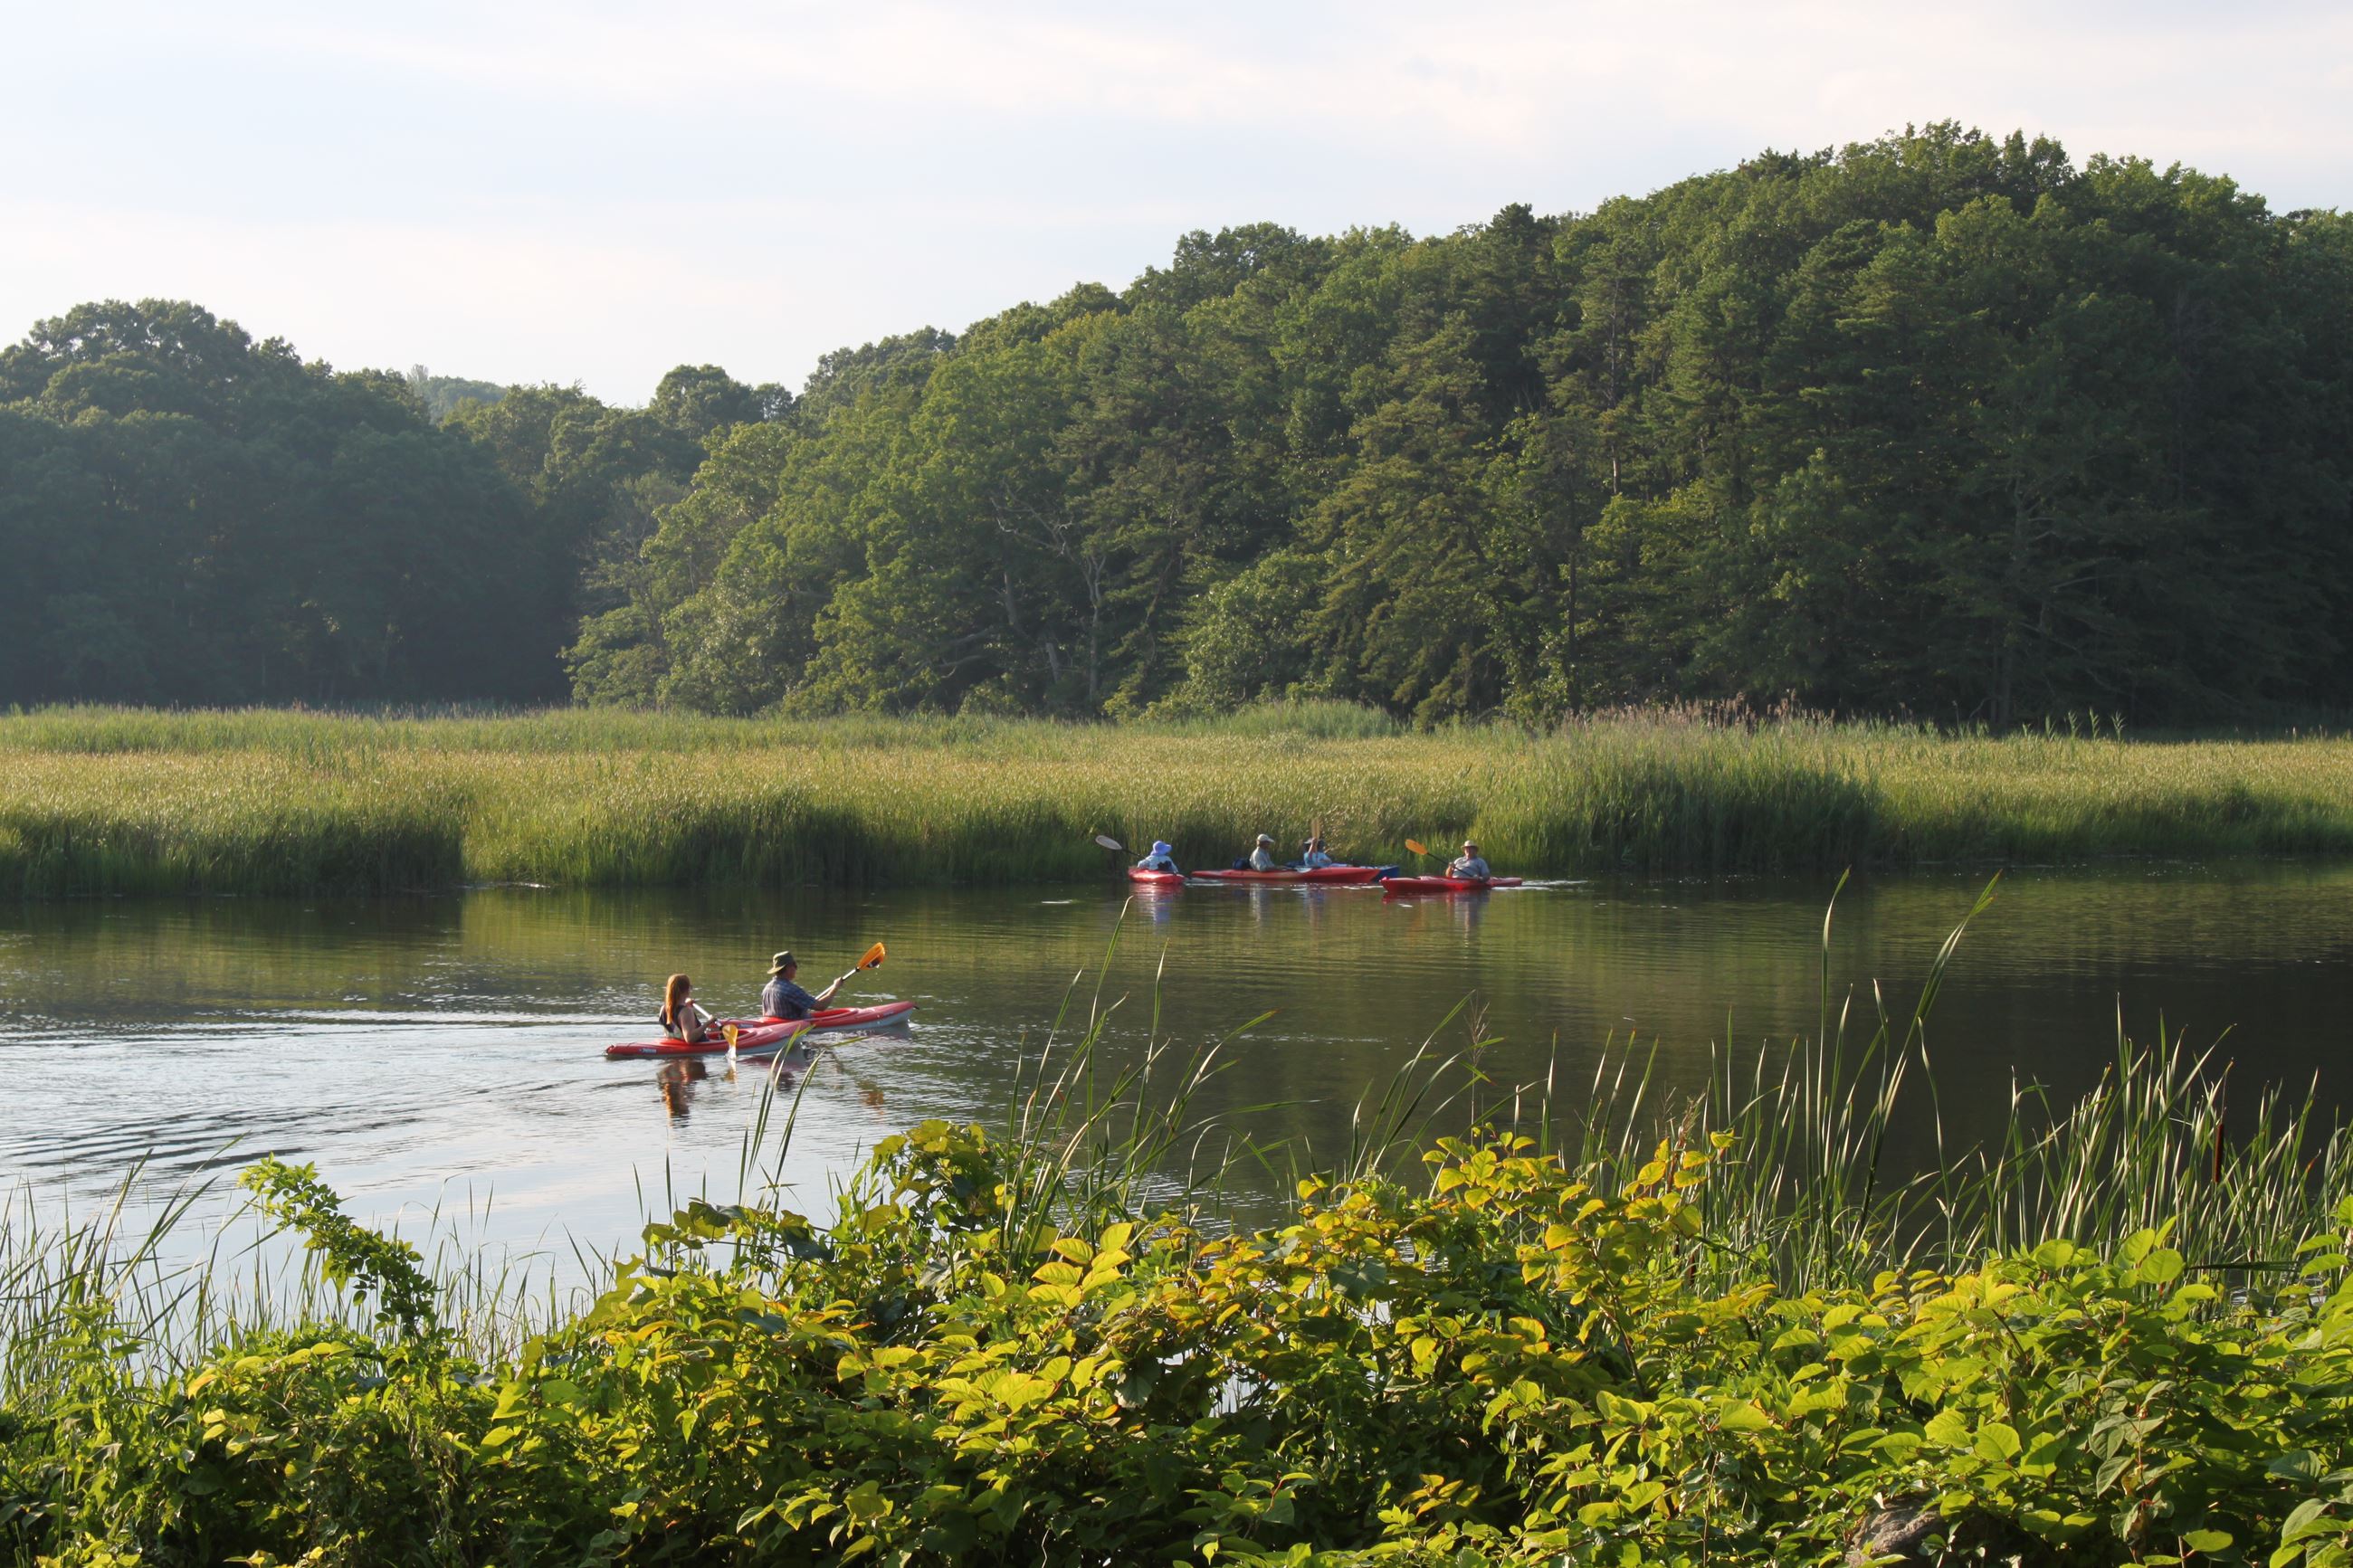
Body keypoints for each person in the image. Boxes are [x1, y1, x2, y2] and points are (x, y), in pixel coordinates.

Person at [760, 950, 842, 1022]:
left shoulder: (766, 988)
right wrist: (835, 987)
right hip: (794, 1029)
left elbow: (765, 1014)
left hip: (774, 1027)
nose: (796, 968)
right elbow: (821, 1006)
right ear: (789, 968)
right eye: (795, 965)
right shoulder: (791, 989)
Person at [658, 974, 716, 1043]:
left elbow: (677, 1014)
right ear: (686, 990)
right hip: (699, 1046)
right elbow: (690, 1038)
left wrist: (686, 1004)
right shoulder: (686, 1011)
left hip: (675, 1043)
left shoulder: (663, 1008)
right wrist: (708, 1022)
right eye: (690, 987)